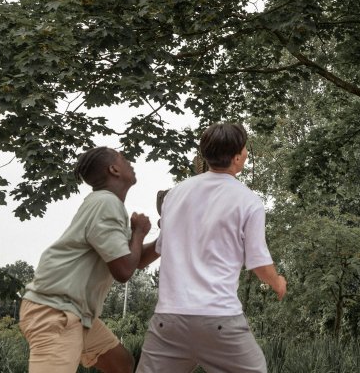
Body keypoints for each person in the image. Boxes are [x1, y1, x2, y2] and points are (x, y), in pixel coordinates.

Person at [137, 122, 286, 373]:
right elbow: (259, 262)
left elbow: (162, 246)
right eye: (245, 148)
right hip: (219, 318)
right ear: (237, 157)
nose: (247, 153)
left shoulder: (175, 195)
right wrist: (277, 282)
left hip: (169, 319)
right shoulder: (248, 201)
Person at [18, 147, 156, 373]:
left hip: (76, 313)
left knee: (121, 364)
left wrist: (166, 238)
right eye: (123, 158)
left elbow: (134, 259)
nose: (129, 161)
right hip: (55, 312)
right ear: (113, 169)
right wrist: (139, 232)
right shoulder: (106, 203)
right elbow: (123, 270)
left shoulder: (105, 203)